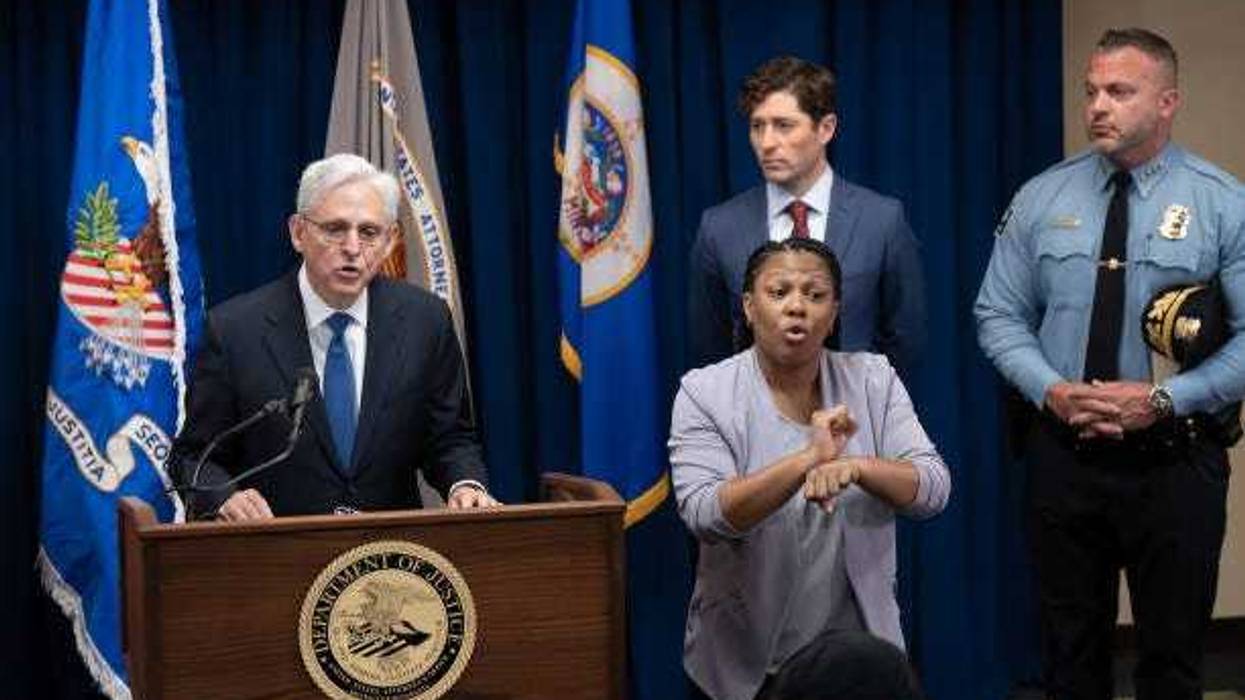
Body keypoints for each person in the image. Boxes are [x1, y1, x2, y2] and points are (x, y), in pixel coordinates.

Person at [975, 28, 1245, 699]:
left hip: (1175, 460)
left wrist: (1163, 399)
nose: (1097, 105)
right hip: (1064, 461)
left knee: (1172, 660)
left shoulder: (1221, 203)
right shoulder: (1042, 198)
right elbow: (997, 315)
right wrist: (1053, 391)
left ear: (1166, 103)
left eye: (1118, 91)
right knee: (1070, 658)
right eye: (1090, 90)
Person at [671, 238, 950, 700]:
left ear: (835, 312)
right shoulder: (705, 393)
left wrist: (855, 466)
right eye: (778, 292)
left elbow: (933, 489)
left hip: (860, 663)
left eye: (815, 295)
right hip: (745, 665)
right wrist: (809, 460)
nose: (797, 307)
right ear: (749, 306)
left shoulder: (873, 379)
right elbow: (705, 514)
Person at [172, 154, 496, 520]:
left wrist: (466, 484)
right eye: (335, 229)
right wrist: (224, 498)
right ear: (298, 232)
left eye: (369, 232)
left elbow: (450, 439)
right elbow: (193, 458)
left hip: (389, 561)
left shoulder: (426, 322)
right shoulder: (235, 330)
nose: (353, 248)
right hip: (277, 557)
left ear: (390, 241)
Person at [686, 55, 926, 377]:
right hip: (752, 423)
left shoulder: (881, 221)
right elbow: (710, 354)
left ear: (825, 128)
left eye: (784, 126)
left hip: (855, 421)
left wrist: (862, 408)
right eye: (758, 126)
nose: (767, 143)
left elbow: (905, 340)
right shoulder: (719, 228)